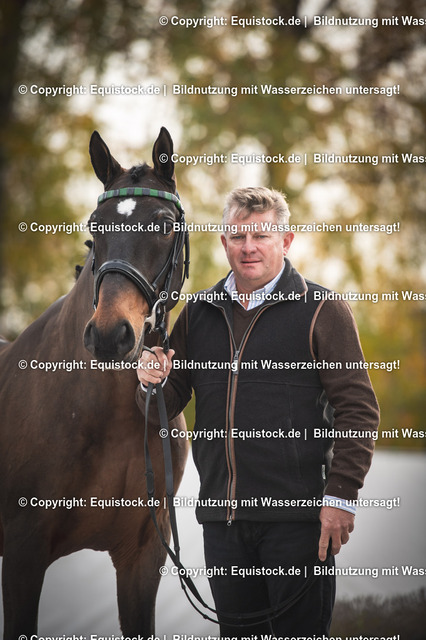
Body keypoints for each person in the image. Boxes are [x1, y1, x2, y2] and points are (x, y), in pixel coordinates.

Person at [136, 187, 380, 637]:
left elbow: (359, 410)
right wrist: (151, 382)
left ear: (285, 241)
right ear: (223, 242)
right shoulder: (198, 314)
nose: (248, 247)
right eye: (238, 236)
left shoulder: (322, 310)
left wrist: (342, 495)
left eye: (261, 236)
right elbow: (164, 408)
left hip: (297, 523)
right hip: (223, 524)